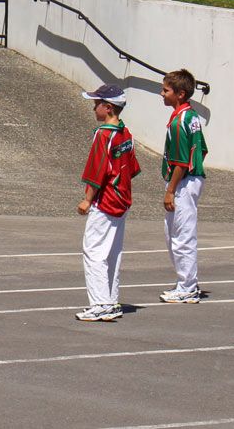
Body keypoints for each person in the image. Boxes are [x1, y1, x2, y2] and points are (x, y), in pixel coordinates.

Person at [75, 84, 140, 322]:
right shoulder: (125, 133)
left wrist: (87, 199)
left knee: (93, 251)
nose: (94, 108)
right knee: (112, 252)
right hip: (122, 198)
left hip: (106, 201)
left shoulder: (103, 134)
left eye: (97, 104)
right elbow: (131, 168)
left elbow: (96, 169)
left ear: (108, 107)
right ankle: (110, 301)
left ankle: (101, 303)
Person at [159, 69, 208, 304]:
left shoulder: (180, 121)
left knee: (181, 235)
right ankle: (185, 282)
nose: (162, 94)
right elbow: (202, 149)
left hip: (183, 182)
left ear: (180, 94)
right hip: (191, 179)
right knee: (175, 233)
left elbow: (179, 161)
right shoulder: (192, 116)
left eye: (166, 90)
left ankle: (188, 286)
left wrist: (171, 190)